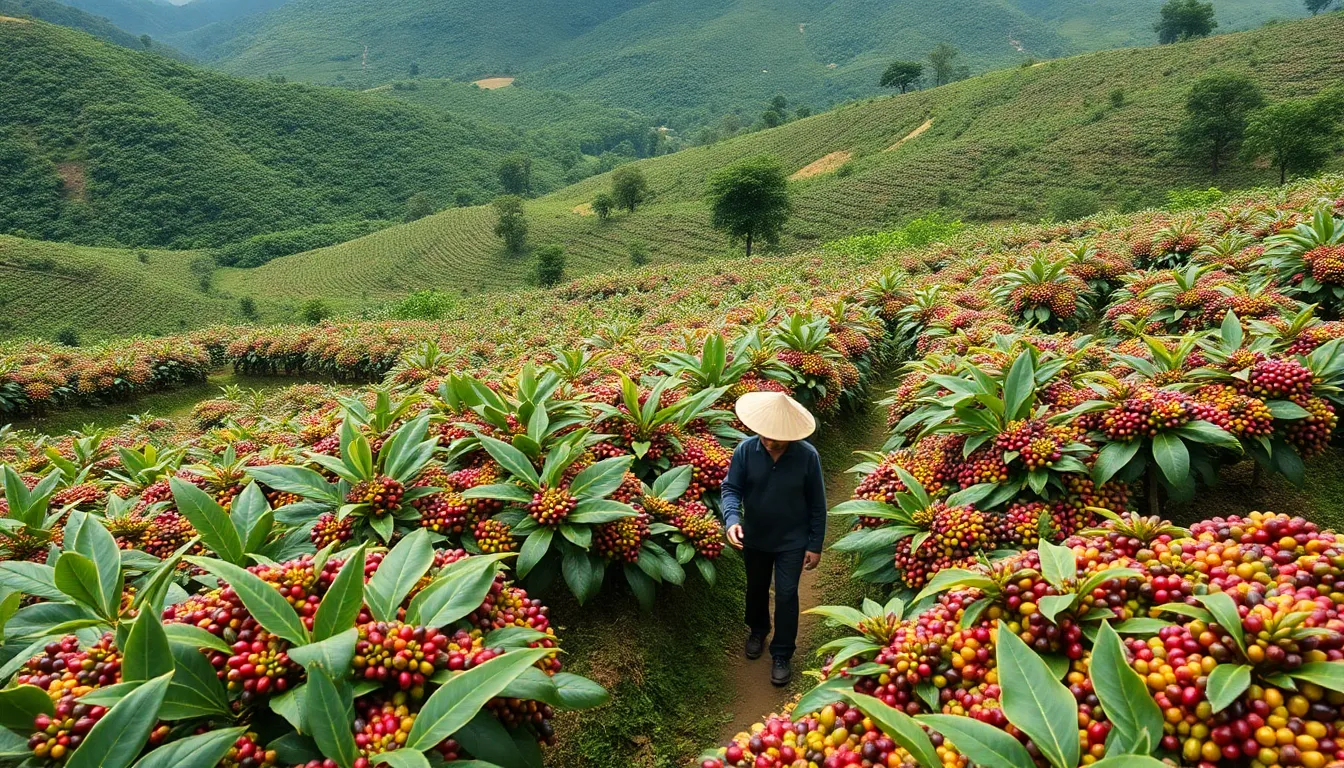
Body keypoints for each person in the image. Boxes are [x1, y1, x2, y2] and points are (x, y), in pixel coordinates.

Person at [722, 390, 826, 687]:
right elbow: (731, 489)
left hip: (792, 541)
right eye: (765, 436)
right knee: (756, 589)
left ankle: (782, 652)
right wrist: (732, 520)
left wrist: (814, 545)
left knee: (786, 594)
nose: (769, 441)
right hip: (755, 537)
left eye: (777, 438)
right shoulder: (745, 451)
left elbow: (817, 505)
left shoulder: (807, 456)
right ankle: (758, 630)